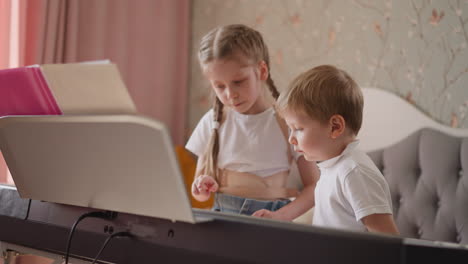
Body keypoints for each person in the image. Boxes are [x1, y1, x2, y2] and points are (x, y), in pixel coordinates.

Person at [185, 24, 319, 220]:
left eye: (238, 81)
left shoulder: (287, 123)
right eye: (219, 86)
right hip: (223, 218)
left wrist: (281, 216)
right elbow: (199, 193)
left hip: (272, 219)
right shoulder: (212, 122)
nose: (230, 94)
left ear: (262, 71)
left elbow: (314, 187)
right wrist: (202, 185)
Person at [272, 64, 399, 234]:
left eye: (299, 129)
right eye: (290, 128)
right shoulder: (332, 167)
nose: (291, 138)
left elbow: (387, 240)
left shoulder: (353, 172)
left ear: (335, 127)